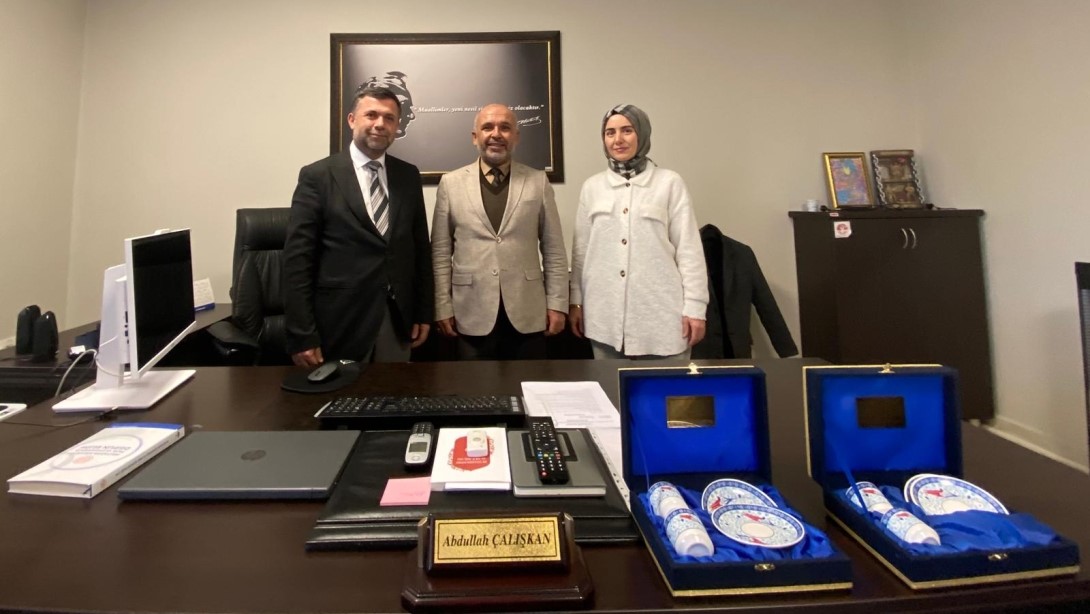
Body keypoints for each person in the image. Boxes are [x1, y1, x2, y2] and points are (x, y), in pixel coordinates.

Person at [283, 85, 433, 367]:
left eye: (389, 118)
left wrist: (424, 312)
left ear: (397, 126)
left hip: (397, 320)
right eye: (371, 115)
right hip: (339, 322)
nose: (380, 124)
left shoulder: (408, 175)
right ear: (352, 120)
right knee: (340, 393)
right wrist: (302, 334)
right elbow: (297, 262)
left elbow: (420, 250)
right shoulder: (318, 176)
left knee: (395, 392)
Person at [569, 104, 708, 360]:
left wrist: (696, 308)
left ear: (642, 134)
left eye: (627, 130)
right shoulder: (592, 187)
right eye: (610, 133)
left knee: (666, 386)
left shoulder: (669, 183)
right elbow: (581, 253)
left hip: (661, 319)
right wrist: (575, 301)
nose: (618, 140)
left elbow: (689, 251)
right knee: (609, 385)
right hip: (604, 321)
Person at [431, 103, 568, 360]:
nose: (496, 134)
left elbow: (554, 250)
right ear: (475, 137)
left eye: (505, 128)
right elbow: (439, 253)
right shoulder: (450, 184)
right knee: (476, 385)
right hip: (470, 311)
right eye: (487, 127)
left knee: (528, 383)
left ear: (516, 136)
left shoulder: (538, 181)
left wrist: (557, 304)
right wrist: (442, 306)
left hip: (528, 311)